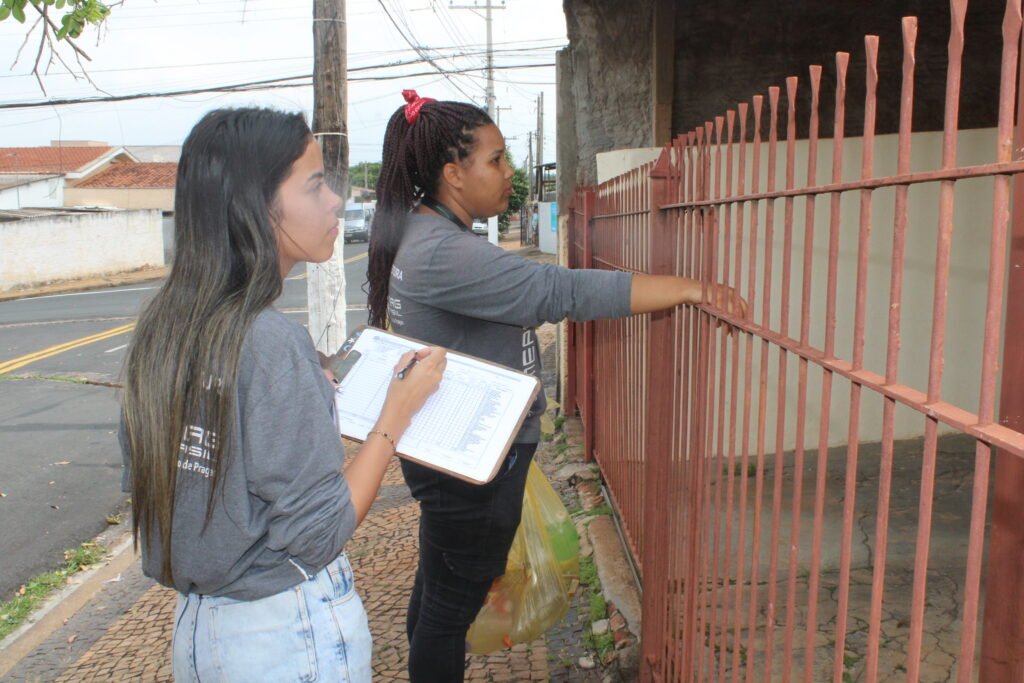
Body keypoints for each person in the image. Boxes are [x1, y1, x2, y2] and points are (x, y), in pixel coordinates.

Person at [366, 91, 745, 682]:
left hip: (455, 453)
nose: (509, 171)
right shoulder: (444, 252)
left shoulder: (428, 236)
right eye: (495, 160)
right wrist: (688, 287)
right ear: (452, 175)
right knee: (448, 610)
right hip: (468, 468)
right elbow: (560, 292)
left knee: (439, 593)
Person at [119, 107, 446, 683]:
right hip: (286, 636)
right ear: (257, 204)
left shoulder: (162, 331)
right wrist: (395, 416)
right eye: (315, 185)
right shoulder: (269, 344)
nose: (335, 201)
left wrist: (298, 390)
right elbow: (320, 530)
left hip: (200, 635)